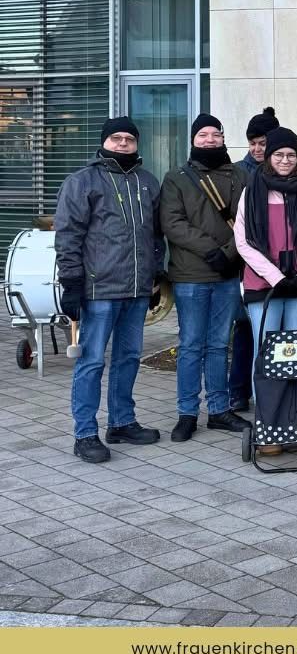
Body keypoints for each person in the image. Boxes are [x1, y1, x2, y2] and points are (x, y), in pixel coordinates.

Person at [56, 117, 164, 464]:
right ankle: (85, 433)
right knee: (90, 362)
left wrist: (155, 274)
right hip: (98, 288)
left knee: (128, 358)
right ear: (104, 142)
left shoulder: (147, 182)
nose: (122, 143)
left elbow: (156, 234)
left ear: (136, 144)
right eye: (116, 138)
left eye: (128, 139)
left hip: (136, 289)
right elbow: (68, 236)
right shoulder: (82, 182)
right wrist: (71, 282)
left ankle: (121, 422)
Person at [234, 126, 297, 456]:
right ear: (269, 157)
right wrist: (276, 277)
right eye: (279, 155)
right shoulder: (253, 191)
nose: (286, 160)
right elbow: (244, 242)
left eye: (291, 154)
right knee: (267, 354)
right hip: (266, 286)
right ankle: (269, 425)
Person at [159, 114, 250, 442]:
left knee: (217, 345)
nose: (210, 140)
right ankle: (186, 413)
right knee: (190, 346)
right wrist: (213, 250)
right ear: (193, 139)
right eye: (203, 135)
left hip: (227, 274)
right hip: (190, 275)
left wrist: (229, 254)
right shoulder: (176, 178)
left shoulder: (240, 175)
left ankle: (219, 410)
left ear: (224, 138)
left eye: (216, 134)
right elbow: (172, 222)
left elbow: (246, 218)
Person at [230, 105, 278, 411]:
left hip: (282, 266)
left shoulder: (284, 169)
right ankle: (238, 390)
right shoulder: (239, 172)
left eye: (263, 142)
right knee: (245, 328)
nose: (258, 148)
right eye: (254, 143)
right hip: (245, 265)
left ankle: (278, 390)